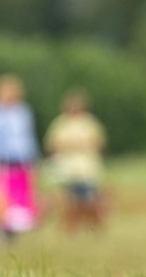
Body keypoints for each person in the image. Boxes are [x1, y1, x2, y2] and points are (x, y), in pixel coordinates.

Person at [0, 74, 40, 241]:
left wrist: (33, 160)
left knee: (17, 199)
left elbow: (29, 137)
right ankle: (0, 231)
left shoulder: (23, 112)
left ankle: (12, 232)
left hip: (19, 160)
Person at [44, 89, 107, 233]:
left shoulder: (90, 122)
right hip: (67, 169)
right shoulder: (60, 123)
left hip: (87, 168)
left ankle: (94, 227)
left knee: (91, 200)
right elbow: (52, 146)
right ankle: (70, 228)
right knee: (69, 202)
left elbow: (100, 143)